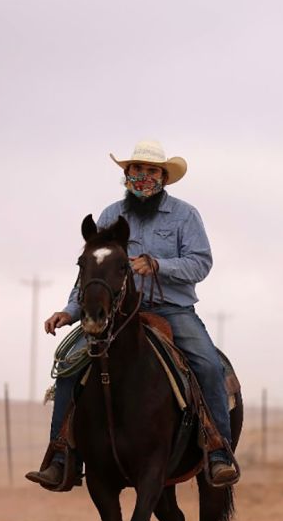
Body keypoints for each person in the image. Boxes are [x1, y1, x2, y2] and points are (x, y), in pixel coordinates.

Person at [26, 140, 238, 489]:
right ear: (126, 175)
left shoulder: (185, 215)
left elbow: (201, 262)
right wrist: (71, 310)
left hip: (172, 310)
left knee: (209, 365)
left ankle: (217, 450)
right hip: (117, 313)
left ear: (164, 178)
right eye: (136, 170)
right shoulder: (109, 216)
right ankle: (60, 456)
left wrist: (159, 265)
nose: (143, 177)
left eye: (151, 171)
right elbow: (93, 272)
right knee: (68, 367)